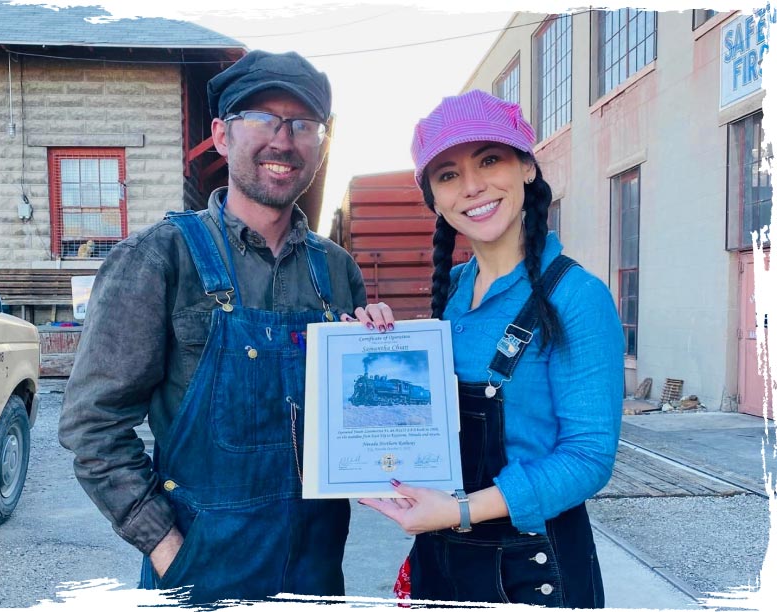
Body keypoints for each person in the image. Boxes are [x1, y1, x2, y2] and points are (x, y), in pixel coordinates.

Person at [59, 50, 367, 604]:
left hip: (318, 570)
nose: (284, 139)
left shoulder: (337, 270)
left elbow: (355, 425)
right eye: (263, 119)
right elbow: (92, 424)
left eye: (303, 124)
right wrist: (164, 543)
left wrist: (384, 351)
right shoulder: (159, 258)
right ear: (223, 135)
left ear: (320, 144)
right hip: (199, 570)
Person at [354, 89, 625, 608]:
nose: (473, 186)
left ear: (526, 167)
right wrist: (373, 340)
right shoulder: (453, 292)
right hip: (443, 557)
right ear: (433, 196)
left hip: (532, 570)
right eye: (448, 174)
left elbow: (589, 459)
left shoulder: (577, 296)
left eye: (490, 159)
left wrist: (459, 510)